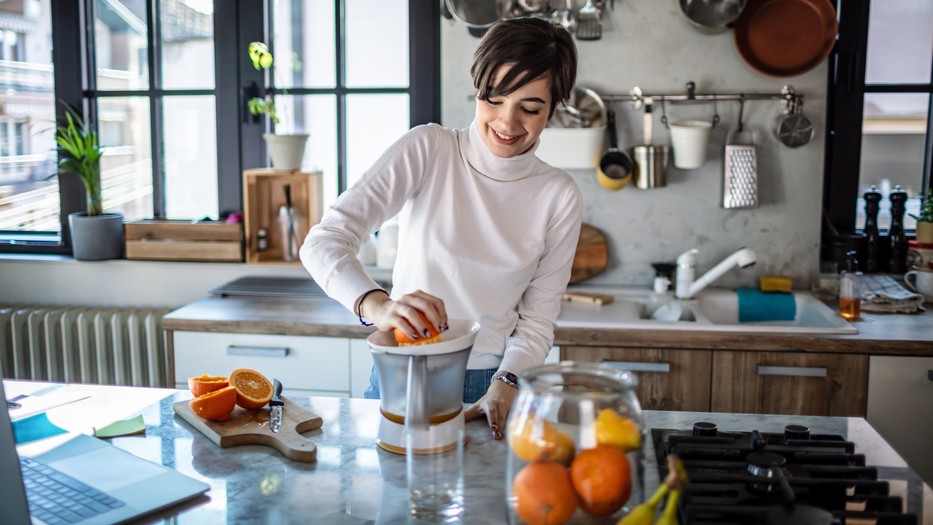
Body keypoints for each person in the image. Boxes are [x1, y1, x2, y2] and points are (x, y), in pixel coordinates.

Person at [300, 17, 582, 440]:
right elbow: (323, 241)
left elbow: (538, 321)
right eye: (494, 99)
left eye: (530, 107)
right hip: (402, 370)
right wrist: (378, 306)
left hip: (491, 386)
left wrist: (506, 385)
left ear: (554, 108)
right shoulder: (429, 149)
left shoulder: (558, 195)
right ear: (477, 89)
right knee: (393, 503)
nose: (507, 123)